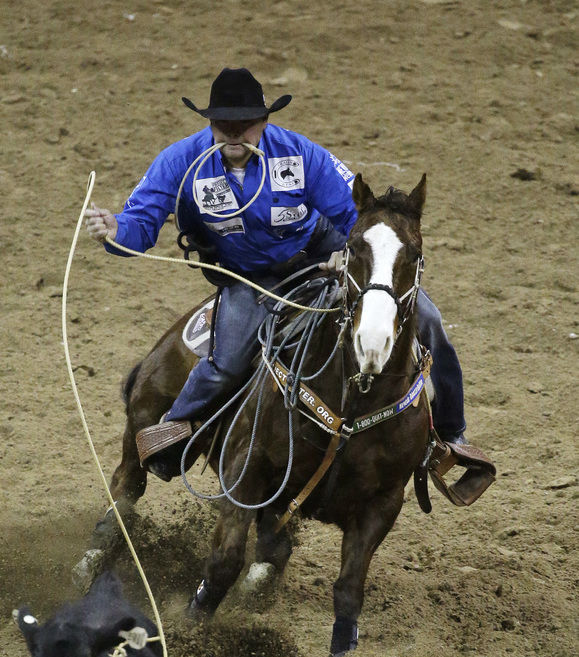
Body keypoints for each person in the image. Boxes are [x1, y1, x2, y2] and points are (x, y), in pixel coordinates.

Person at [85, 67, 468, 481]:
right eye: (222, 125)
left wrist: (347, 253)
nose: (234, 135)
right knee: (227, 361)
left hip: (318, 248)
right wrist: (115, 229)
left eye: (244, 125)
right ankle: (175, 429)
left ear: (264, 122)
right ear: (209, 124)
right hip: (250, 276)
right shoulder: (181, 162)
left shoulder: (301, 155)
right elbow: (140, 223)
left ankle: (452, 436)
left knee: (427, 320)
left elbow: (357, 215)